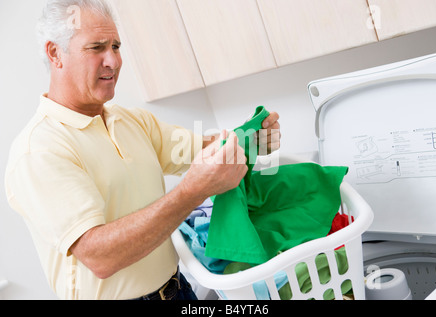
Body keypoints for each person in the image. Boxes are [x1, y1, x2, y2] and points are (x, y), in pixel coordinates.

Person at [4, 0, 280, 300]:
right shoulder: (39, 151)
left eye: (116, 46)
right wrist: (192, 191)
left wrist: (251, 139)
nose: (113, 61)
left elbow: (203, 150)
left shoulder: (131, 120)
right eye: (96, 47)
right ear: (55, 53)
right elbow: (100, 257)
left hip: (177, 290)